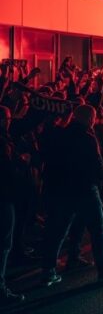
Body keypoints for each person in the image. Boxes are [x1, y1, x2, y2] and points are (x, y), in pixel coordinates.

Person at [39, 105, 103, 286]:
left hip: (62, 189)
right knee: (98, 229)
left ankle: (50, 270)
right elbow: (96, 164)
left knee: (60, 230)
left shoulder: (61, 133)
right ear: (90, 119)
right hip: (84, 188)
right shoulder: (87, 137)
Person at [0, 106, 25, 305]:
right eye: (7, 118)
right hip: (4, 196)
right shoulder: (2, 142)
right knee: (3, 245)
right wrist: (20, 163)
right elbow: (8, 170)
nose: (10, 121)